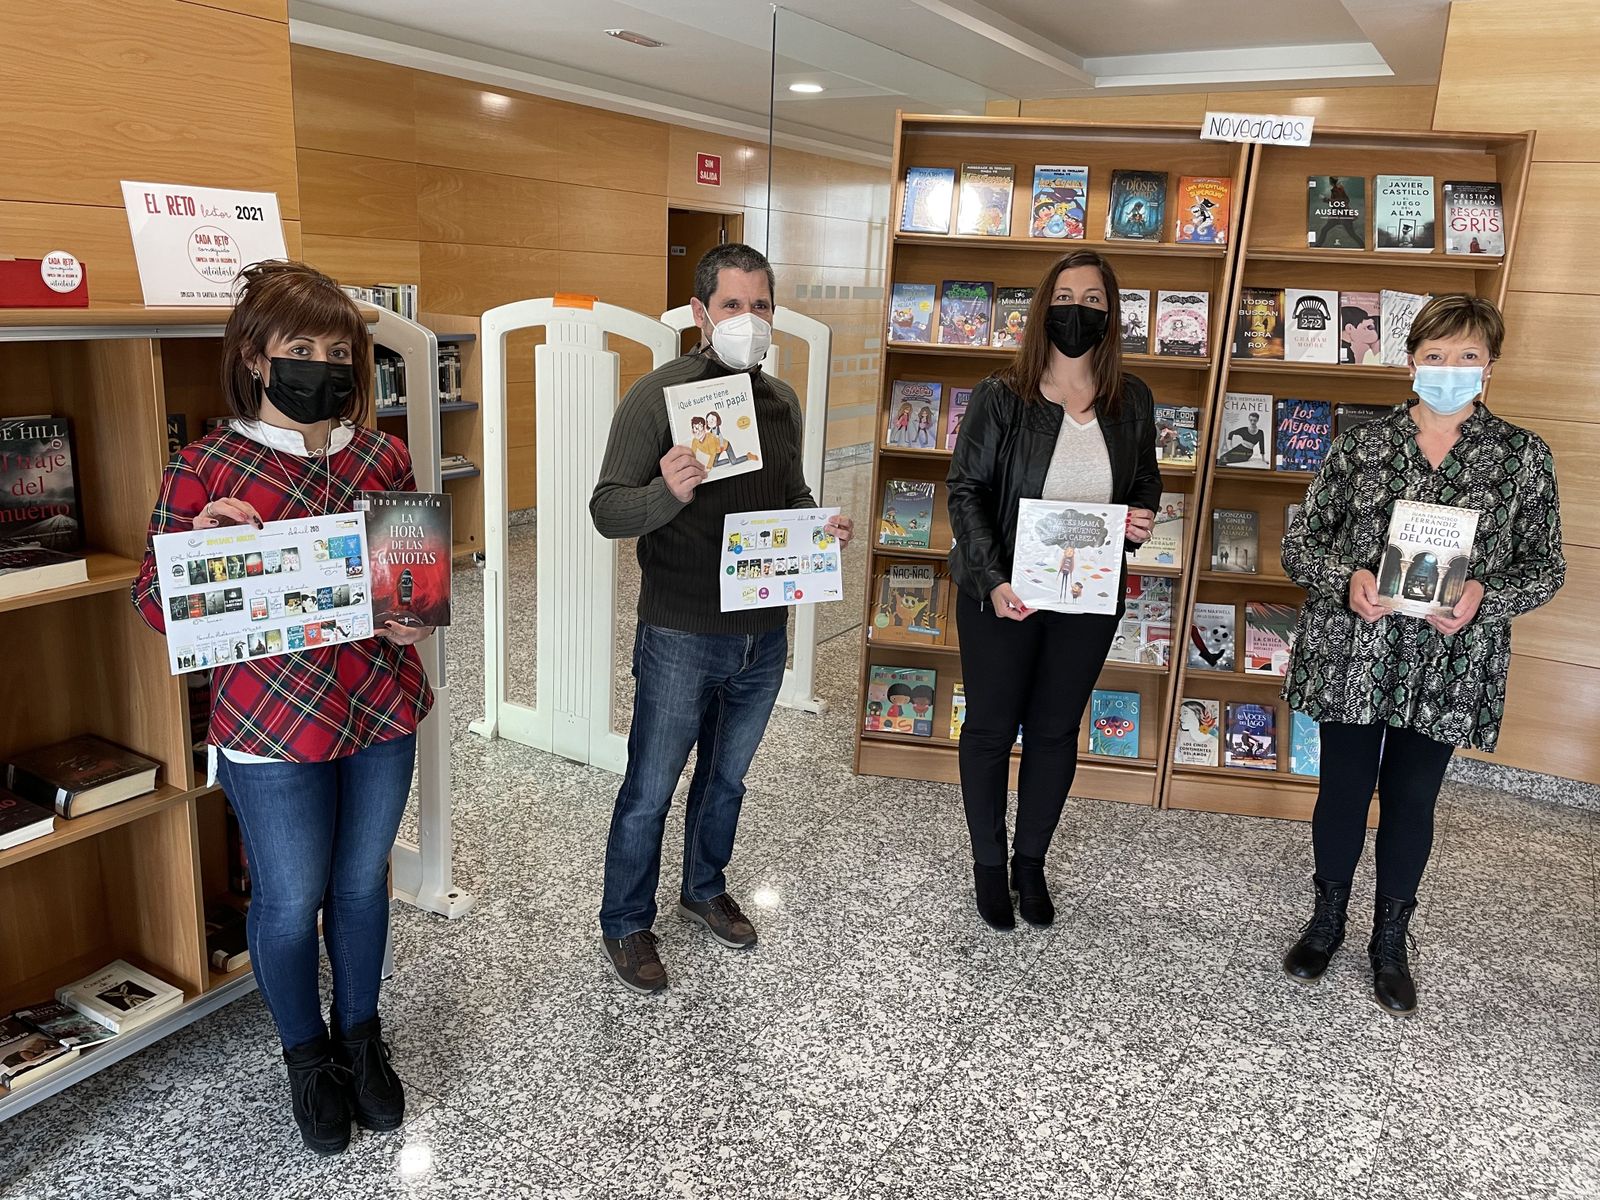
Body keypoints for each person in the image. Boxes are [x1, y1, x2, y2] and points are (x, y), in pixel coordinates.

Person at [132, 261, 434, 1154]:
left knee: (361, 881)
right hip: (271, 722)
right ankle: (307, 1057)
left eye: (339, 353)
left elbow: (411, 587)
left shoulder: (381, 456)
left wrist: (414, 611)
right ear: (256, 359)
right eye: (300, 348)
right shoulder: (204, 468)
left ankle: (361, 1037)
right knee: (291, 895)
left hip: (378, 706)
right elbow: (154, 604)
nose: (322, 367)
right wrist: (201, 555)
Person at [1279, 294, 1564, 1015]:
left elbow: (1547, 567)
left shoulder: (1522, 456)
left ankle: (1390, 940)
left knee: (1413, 798)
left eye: (1468, 356)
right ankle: (1326, 920)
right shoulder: (1362, 445)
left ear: (1490, 366)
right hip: (1356, 649)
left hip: (1448, 659)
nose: (1450, 368)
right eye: (1435, 355)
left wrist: (1485, 596)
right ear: (1410, 362)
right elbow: (1300, 544)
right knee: (1343, 789)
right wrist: (1346, 578)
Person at [590, 243, 853, 993]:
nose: (749, 319)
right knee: (651, 785)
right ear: (700, 313)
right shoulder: (658, 397)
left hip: (761, 632)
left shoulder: (781, 402)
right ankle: (625, 920)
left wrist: (817, 528)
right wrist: (666, 492)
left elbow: (790, 494)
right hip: (680, 630)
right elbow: (608, 510)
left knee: (727, 779)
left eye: (761, 305)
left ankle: (704, 887)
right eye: (732, 305)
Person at [946, 250, 1161, 930]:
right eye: (1066, 297)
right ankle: (988, 865)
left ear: (1111, 314)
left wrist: (1139, 521)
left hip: (1086, 601)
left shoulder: (1132, 400)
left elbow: (1144, 483)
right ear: (1044, 307)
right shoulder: (1002, 395)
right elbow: (965, 492)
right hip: (1002, 595)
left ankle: (1029, 862)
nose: (1078, 310)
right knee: (989, 729)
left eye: (1093, 300)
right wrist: (993, 579)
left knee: (1054, 732)